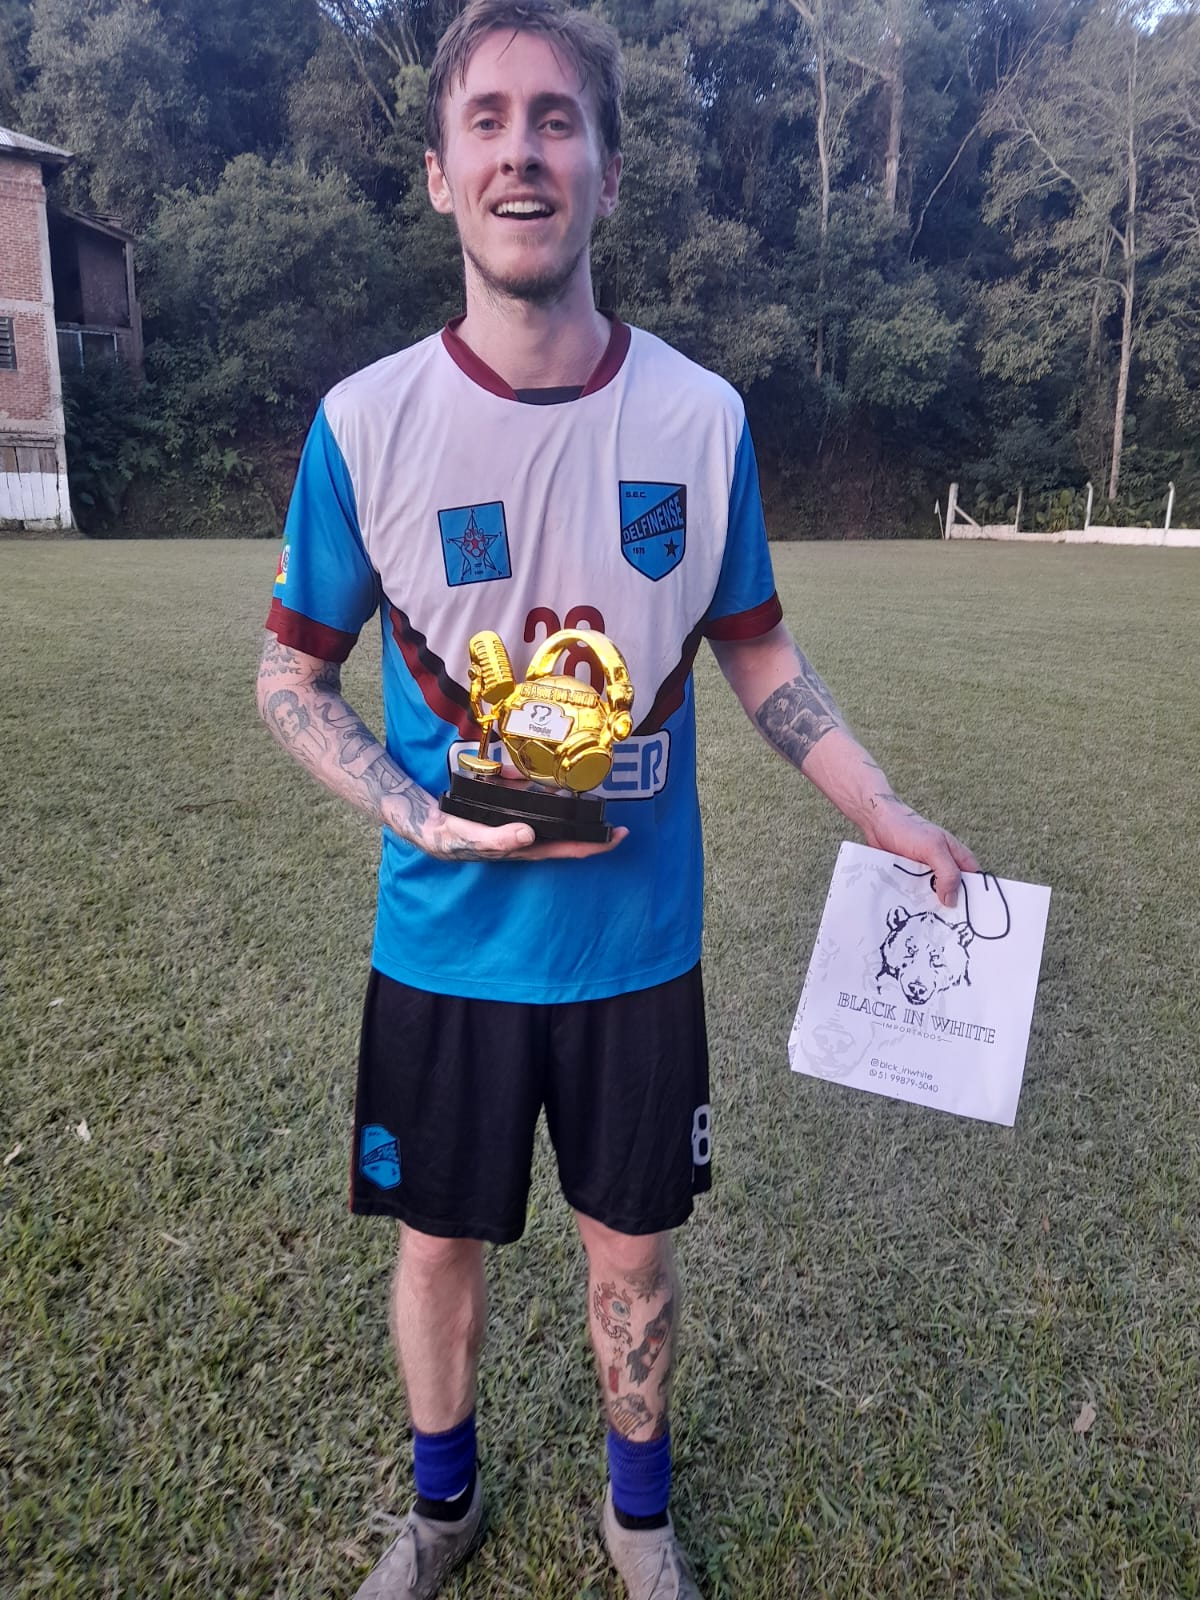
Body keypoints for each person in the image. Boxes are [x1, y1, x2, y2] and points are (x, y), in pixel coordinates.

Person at [257, 3, 978, 1596]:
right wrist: (411, 813)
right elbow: (289, 677)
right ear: (439, 173)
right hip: (445, 945)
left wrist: (880, 807)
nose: (522, 153)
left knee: (635, 1257)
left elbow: (759, 647)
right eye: (489, 121)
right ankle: (442, 1508)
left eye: (557, 120)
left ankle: (637, 1521)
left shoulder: (700, 420)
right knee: (436, 1243)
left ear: (608, 166)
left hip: (636, 953)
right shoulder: (365, 425)